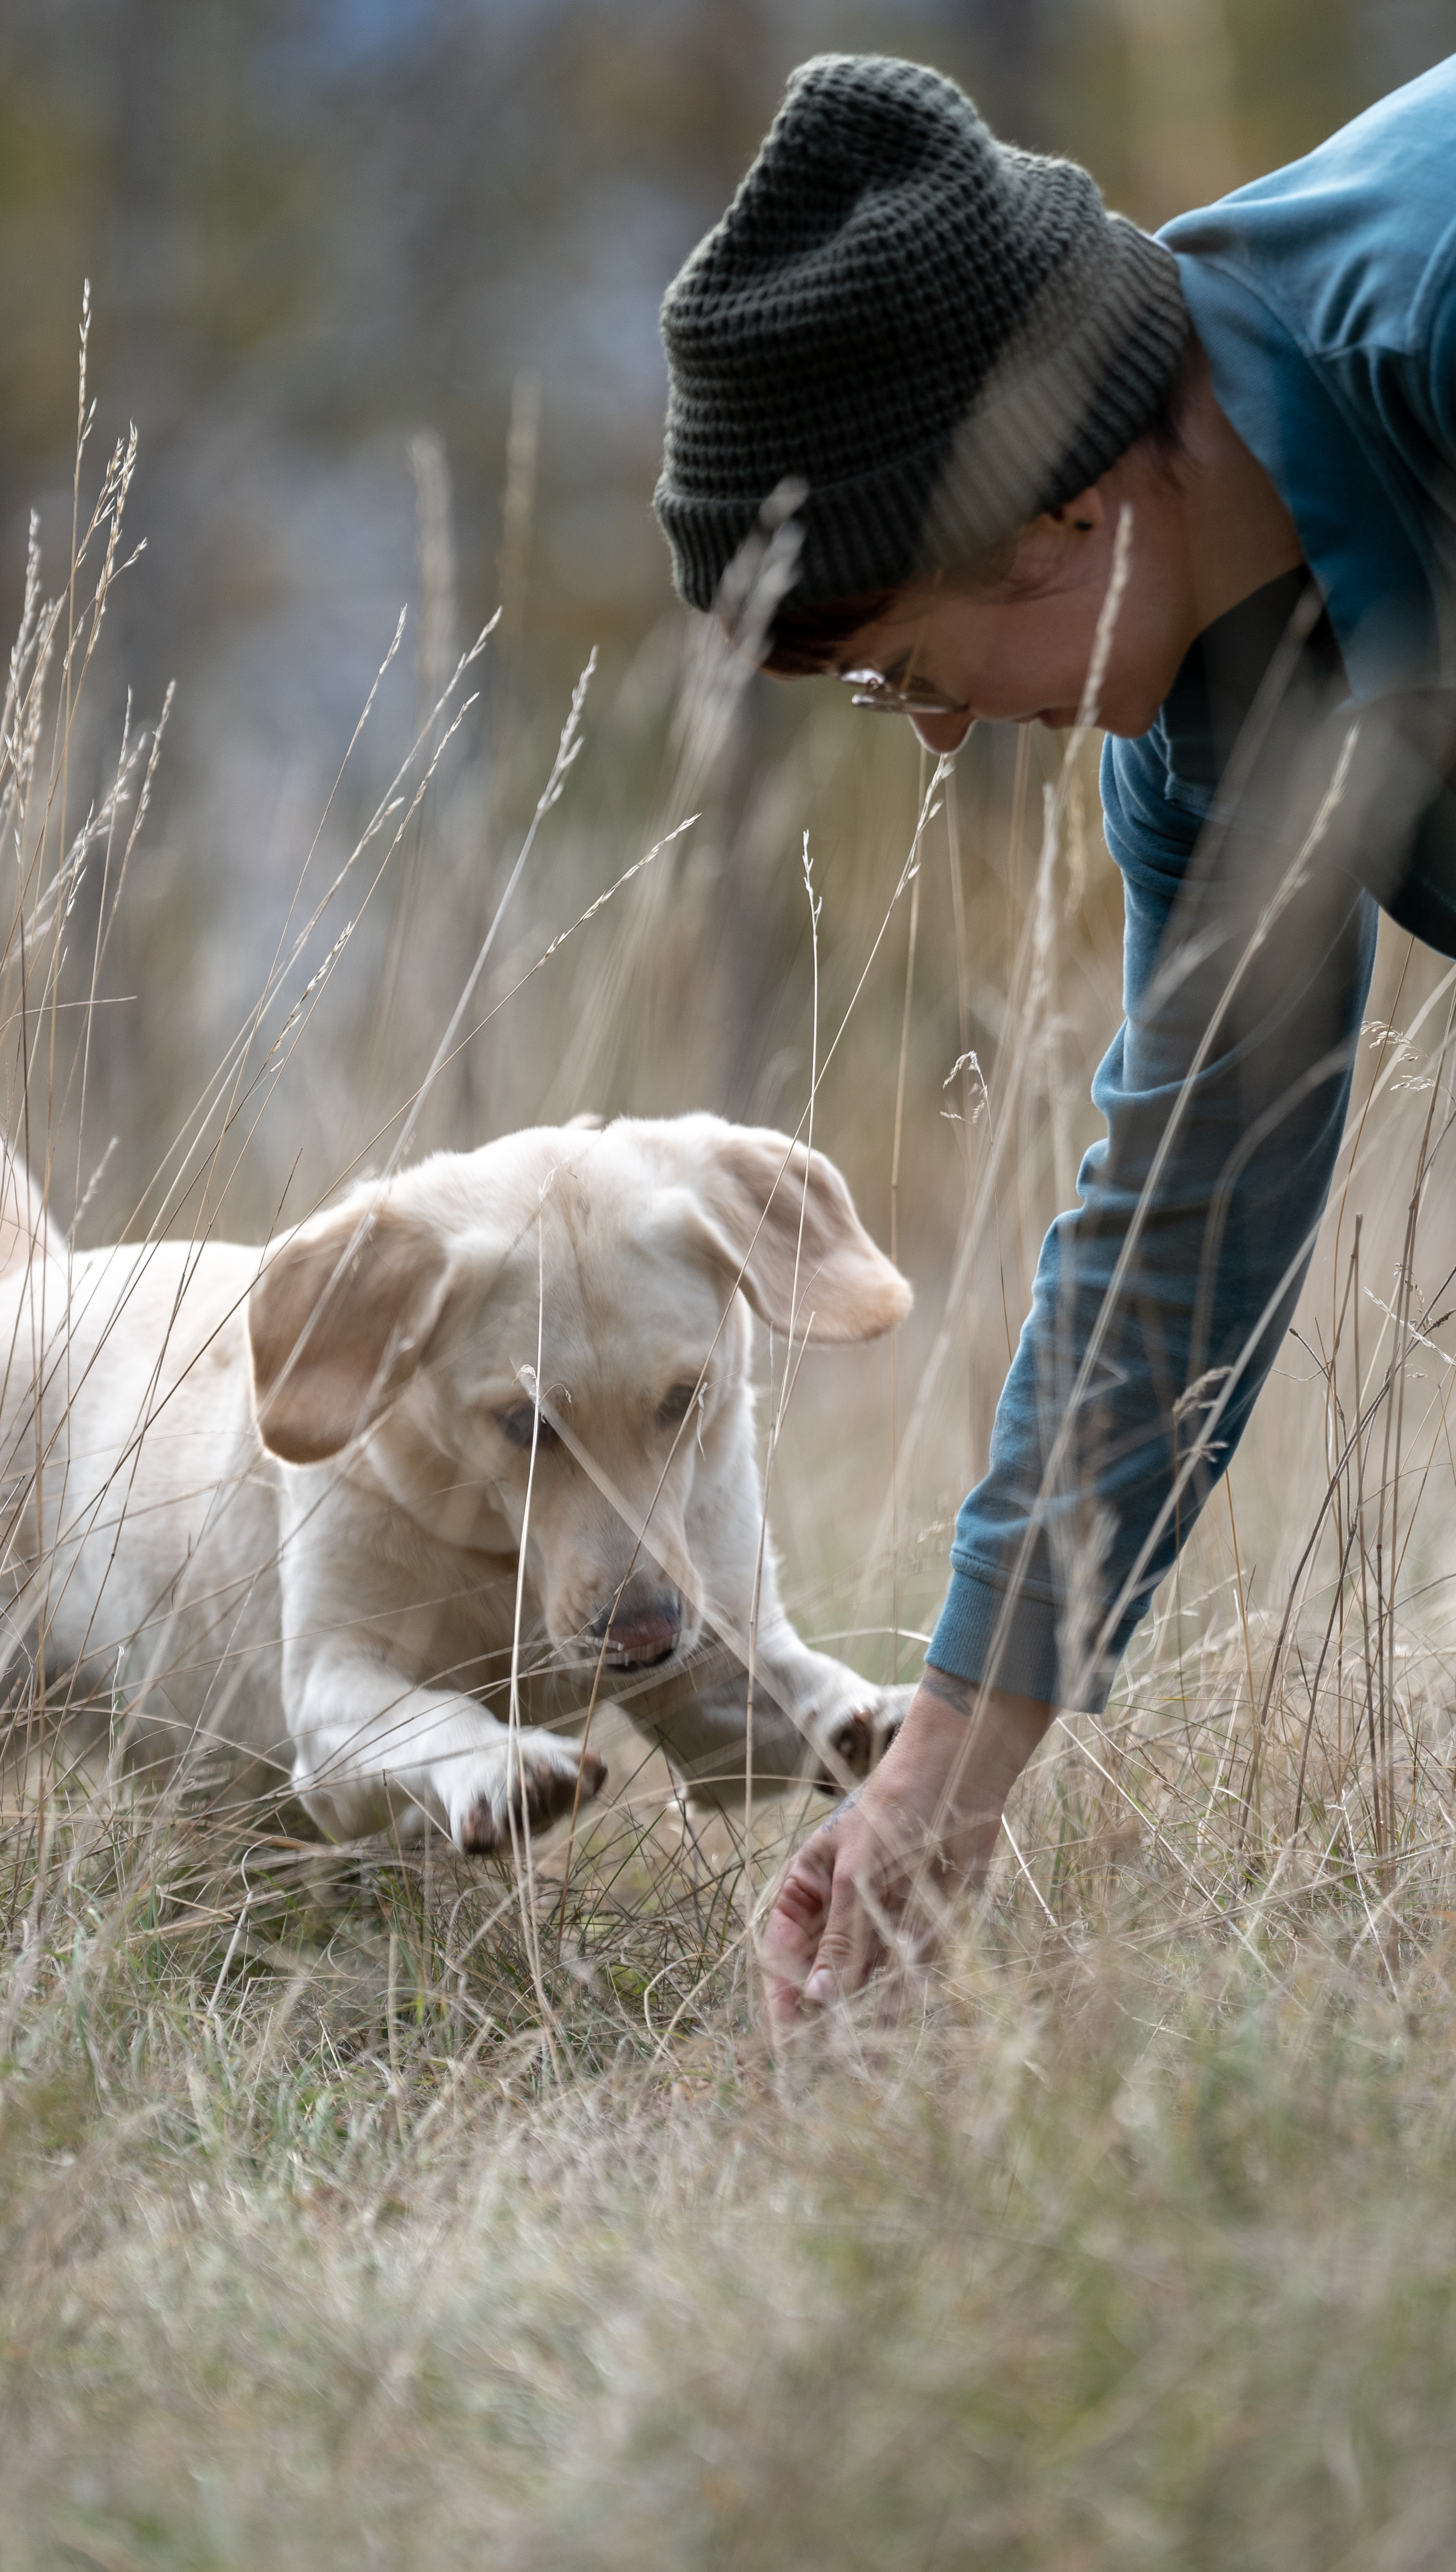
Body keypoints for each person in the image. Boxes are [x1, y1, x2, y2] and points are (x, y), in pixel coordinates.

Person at [651, 53, 1456, 2030]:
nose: (937, 731)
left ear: (1070, 513)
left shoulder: (1427, 319)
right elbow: (1184, 1217)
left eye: (905, 669)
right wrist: (941, 1773)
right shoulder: (1211, 730)